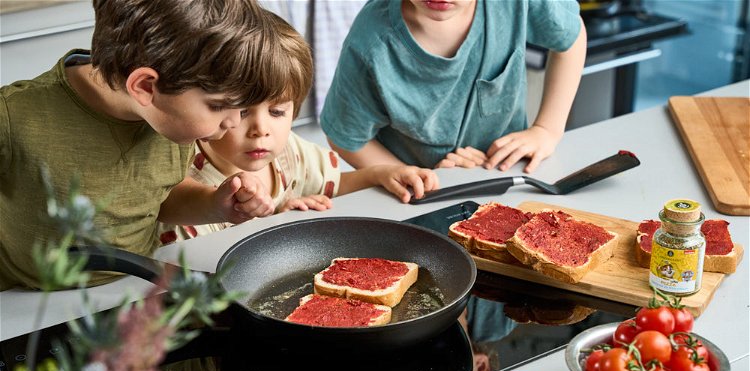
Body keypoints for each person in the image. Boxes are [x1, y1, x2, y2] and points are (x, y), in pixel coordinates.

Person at [0, 0, 283, 290]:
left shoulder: (168, 117)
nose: (234, 122)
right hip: (29, 301)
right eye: (218, 106)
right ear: (145, 87)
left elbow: (158, 196)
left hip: (134, 287)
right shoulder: (13, 116)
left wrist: (215, 204)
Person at [158, 11, 439, 244]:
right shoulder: (189, 188)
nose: (261, 129)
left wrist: (379, 174)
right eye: (243, 111)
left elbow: (332, 185)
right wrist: (280, 223)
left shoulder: (289, 151)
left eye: (277, 111)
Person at [320, 0, 586, 173]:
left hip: (511, 173)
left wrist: (547, 130)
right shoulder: (370, 41)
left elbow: (571, 39)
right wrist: (410, 177)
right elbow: (346, 138)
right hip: (421, 202)